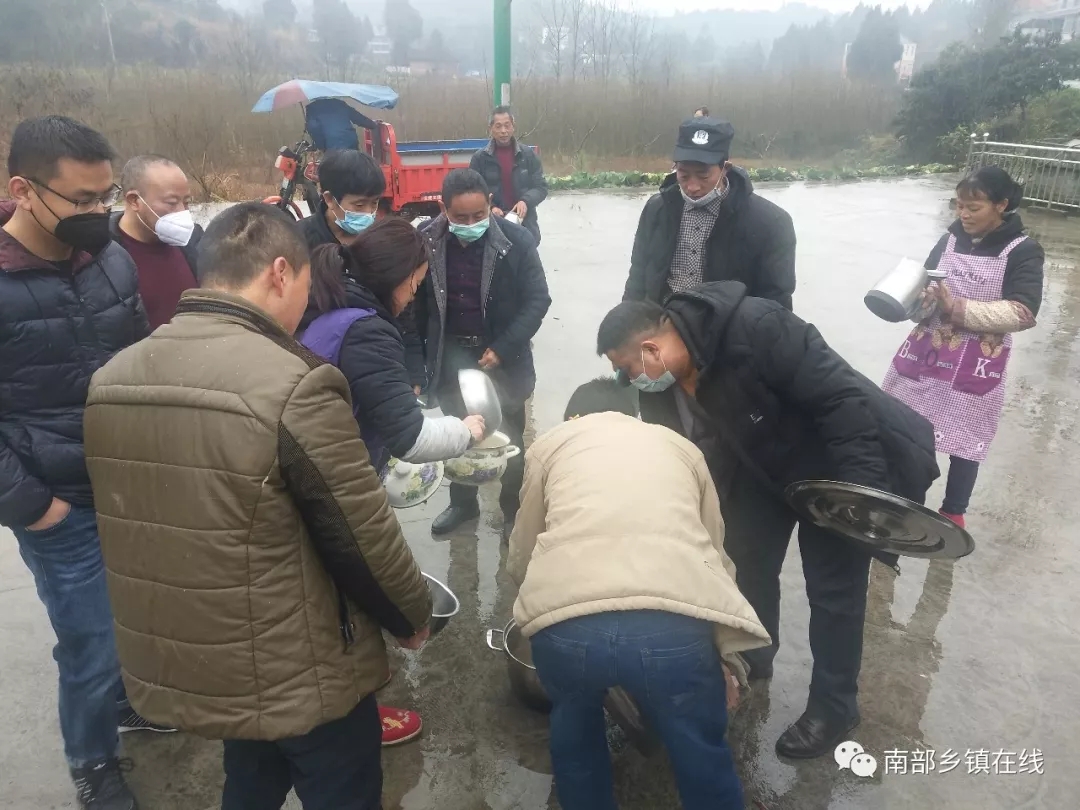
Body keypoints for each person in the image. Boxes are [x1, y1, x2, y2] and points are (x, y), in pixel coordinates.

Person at [83, 202, 433, 810]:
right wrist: (410, 616)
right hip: (296, 663)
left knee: (249, 777)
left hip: (198, 651)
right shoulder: (294, 382)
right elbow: (359, 534)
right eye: (305, 286)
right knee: (343, 788)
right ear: (279, 273)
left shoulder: (113, 378)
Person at [597, 283, 940, 759]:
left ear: (651, 347)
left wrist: (864, 495)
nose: (630, 380)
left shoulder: (756, 326)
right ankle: (754, 655)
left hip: (832, 468)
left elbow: (841, 401)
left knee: (834, 594)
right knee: (748, 565)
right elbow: (681, 454)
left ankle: (835, 706)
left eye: (627, 367)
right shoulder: (662, 387)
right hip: (764, 470)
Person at [507, 377, 771, 810]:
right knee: (700, 752)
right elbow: (714, 554)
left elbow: (524, 549)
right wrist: (726, 652)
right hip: (672, 629)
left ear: (573, 418)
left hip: (569, 632)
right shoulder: (680, 448)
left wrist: (538, 602)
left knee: (575, 738)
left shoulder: (551, 446)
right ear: (633, 415)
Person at [0, 115, 161, 810]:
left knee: (133, 615)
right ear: (23, 190)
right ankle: (91, 759)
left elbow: (142, 355)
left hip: (128, 482)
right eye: (82, 199)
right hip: (55, 499)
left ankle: (124, 703)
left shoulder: (109, 259)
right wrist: (34, 505)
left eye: (106, 196)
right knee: (90, 639)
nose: (99, 213)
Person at [299, 217, 486, 745]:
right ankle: (352, 717)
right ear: (400, 278)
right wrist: (466, 432)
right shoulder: (367, 329)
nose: (414, 295)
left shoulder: (331, 308)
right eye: (417, 284)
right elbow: (411, 439)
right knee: (349, 598)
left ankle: (349, 693)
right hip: (332, 487)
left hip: (309, 469)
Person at [881, 166, 1044, 529]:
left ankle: (953, 513)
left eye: (974, 207)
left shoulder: (1023, 251)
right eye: (959, 205)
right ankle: (902, 502)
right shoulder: (948, 241)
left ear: (1001, 205)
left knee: (966, 436)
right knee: (905, 425)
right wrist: (916, 302)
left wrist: (955, 307)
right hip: (927, 350)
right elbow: (925, 287)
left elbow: (1022, 312)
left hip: (977, 359)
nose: (964, 215)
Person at [415, 169, 551, 539]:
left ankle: (511, 511)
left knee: (511, 439)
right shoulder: (425, 241)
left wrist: (504, 347)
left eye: (479, 215)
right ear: (443, 208)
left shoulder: (516, 240)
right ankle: (462, 504)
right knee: (458, 435)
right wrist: (418, 361)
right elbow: (415, 305)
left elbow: (538, 300)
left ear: (490, 203)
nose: (471, 224)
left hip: (503, 357)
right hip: (451, 357)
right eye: (460, 218)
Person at [623, 117, 797, 309]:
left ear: (725, 168)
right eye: (684, 175)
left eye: (703, 175)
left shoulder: (771, 222)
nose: (692, 187)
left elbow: (775, 303)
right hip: (662, 320)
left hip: (728, 325)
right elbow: (637, 276)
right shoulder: (657, 209)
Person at [111, 154, 201, 330]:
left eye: (186, 202)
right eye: (171, 203)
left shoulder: (194, 240)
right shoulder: (101, 256)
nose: (182, 212)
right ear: (134, 201)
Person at [469, 107, 548, 245]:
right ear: (491, 128)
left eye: (507, 125)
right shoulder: (480, 158)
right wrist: (490, 207)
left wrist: (525, 201)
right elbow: (473, 190)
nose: (503, 131)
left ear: (513, 127)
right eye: (498, 126)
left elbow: (541, 187)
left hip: (525, 225)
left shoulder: (527, 155)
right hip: (492, 226)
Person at [299, 149, 386, 251]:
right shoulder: (300, 240)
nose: (369, 213)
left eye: (374, 203)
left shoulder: (380, 239)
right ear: (329, 199)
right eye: (359, 205)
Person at [304, 98, 378, 153]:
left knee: (337, 168)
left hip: (331, 145)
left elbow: (313, 127)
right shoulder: (339, 103)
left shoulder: (312, 108)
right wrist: (373, 124)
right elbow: (358, 118)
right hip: (350, 142)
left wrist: (321, 147)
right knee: (353, 165)